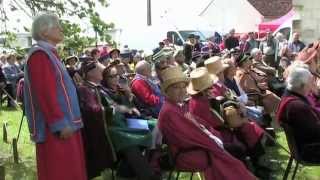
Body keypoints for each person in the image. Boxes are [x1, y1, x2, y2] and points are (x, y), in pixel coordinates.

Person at [158, 66, 256, 180]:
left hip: (197, 147)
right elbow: (190, 137)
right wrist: (214, 139)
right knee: (232, 156)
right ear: (167, 90)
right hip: (189, 154)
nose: (181, 91)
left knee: (234, 150)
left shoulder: (176, 106)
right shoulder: (169, 111)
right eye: (176, 88)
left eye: (183, 86)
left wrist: (212, 134)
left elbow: (198, 125)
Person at [23, 13, 86, 180]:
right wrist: (59, 123)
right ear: (44, 32)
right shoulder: (40, 55)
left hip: (67, 124)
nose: (61, 29)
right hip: (57, 130)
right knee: (62, 173)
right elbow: (45, 94)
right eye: (57, 26)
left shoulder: (49, 53)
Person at [277, 66, 320, 162]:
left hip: (307, 146)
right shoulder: (296, 106)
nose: (312, 86)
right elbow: (316, 132)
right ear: (302, 85)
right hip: (310, 151)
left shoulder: (289, 96)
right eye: (310, 83)